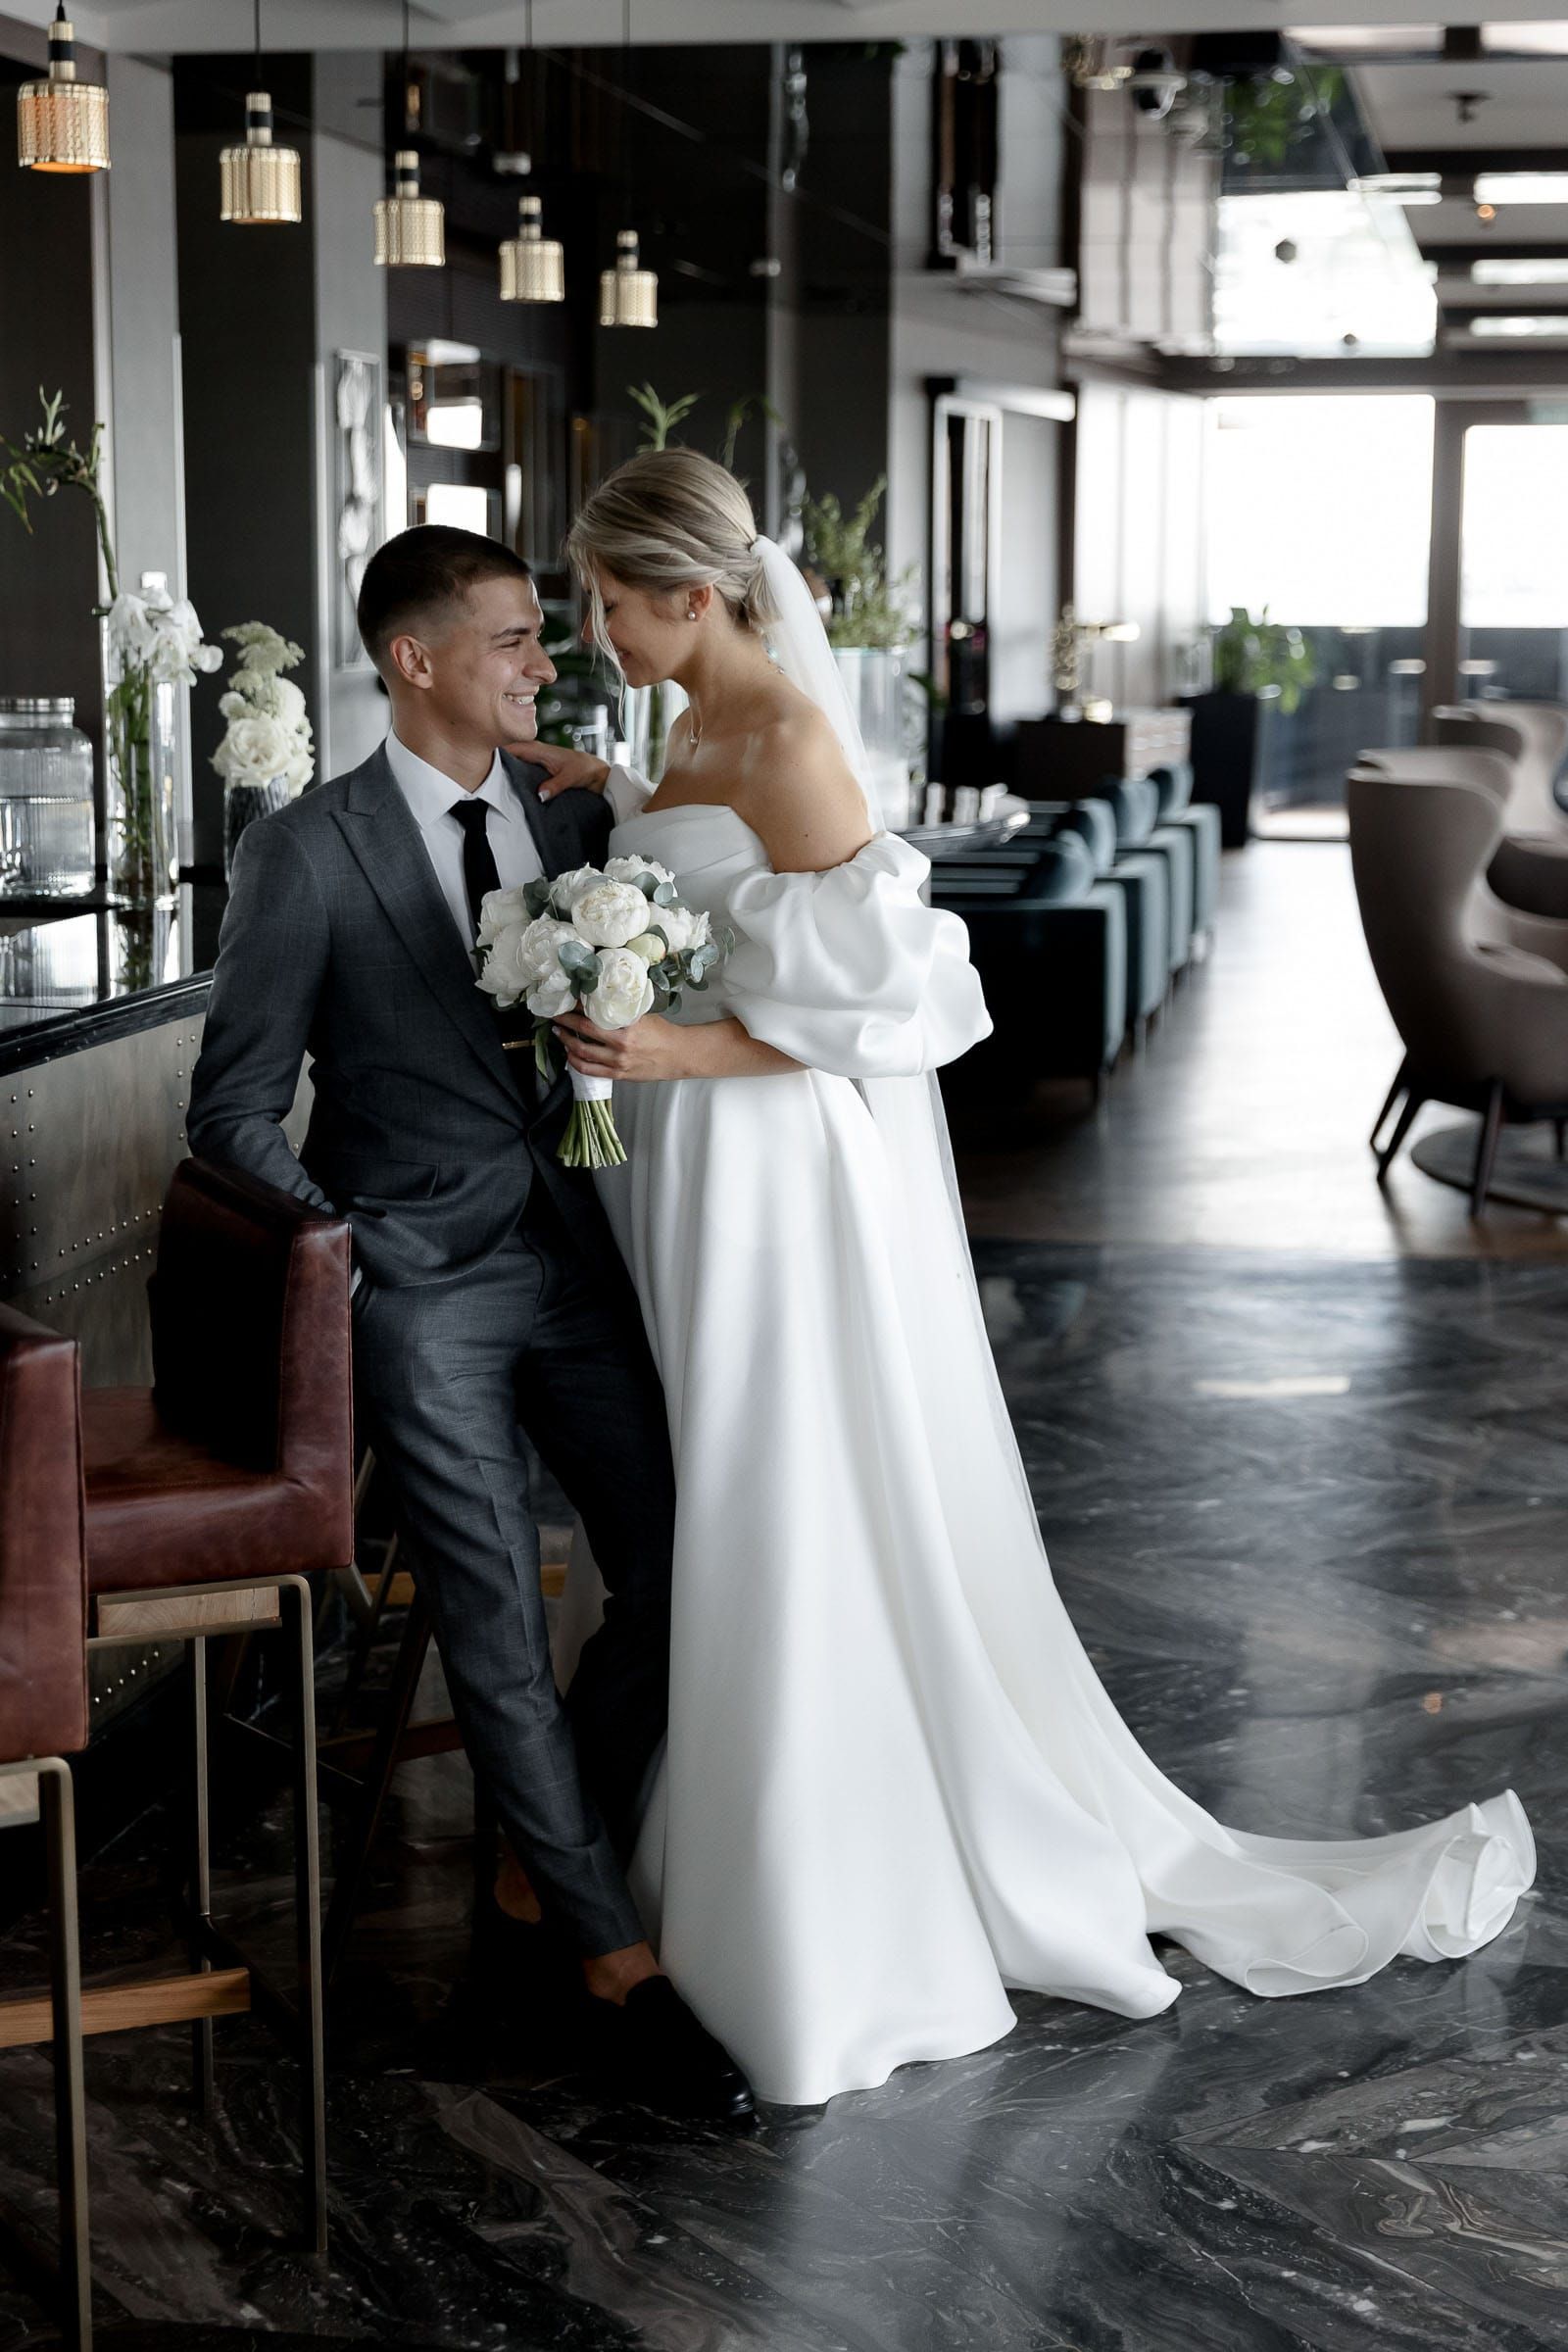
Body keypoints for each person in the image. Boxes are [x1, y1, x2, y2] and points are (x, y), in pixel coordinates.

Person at [525, 448, 1536, 2110]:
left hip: (768, 1171)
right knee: (709, 1485)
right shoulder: (687, 726)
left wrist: (671, 1047)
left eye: (612, 604)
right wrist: (616, 803)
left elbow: (886, 1015)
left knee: (783, 1482)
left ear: (695, 597)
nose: (597, 630)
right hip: (685, 1170)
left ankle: (810, 1892)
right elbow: (721, 894)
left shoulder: (783, 735)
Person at [185, 524, 754, 2122]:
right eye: (509, 639)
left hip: (581, 1260)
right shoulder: (306, 850)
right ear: (414, 659)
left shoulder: (574, 810)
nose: (540, 662)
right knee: (494, 1604)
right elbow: (227, 1111)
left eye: (540, 638)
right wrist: (347, 1251)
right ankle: (605, 1949)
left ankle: (536, 1832)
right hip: (417, 1286)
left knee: (684, 1555)